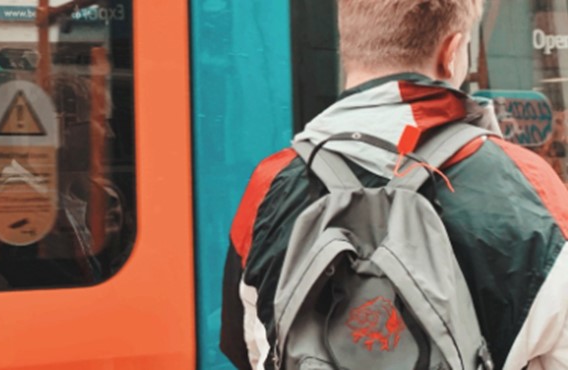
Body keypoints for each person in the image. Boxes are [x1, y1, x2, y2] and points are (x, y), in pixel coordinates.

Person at [220, 1, 568, 369]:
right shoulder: (529, 185)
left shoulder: (269, 185)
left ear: (348, 49)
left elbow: (248, 348)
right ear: (451, 54)